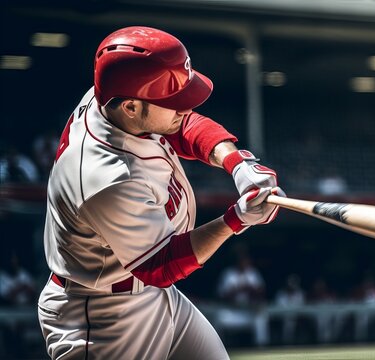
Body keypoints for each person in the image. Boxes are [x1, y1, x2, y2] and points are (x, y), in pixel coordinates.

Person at [37, 26, 285, 360]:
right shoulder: (106, 178)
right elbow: (160, 263)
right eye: (172, 101)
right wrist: (236, 220)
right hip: (101, 318)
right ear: (130, 107)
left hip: (153, 295)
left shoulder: (114, 100)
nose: (184, 107)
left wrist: (237, 163)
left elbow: (182, 125)